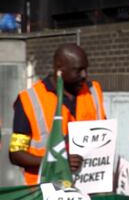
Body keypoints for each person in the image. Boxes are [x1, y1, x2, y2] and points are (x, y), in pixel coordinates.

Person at [8, 44, 105, 185]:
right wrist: (56, 162)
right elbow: (16, 154)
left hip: (89, 188)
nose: (85, 75)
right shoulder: (29, 100)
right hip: (45, 190)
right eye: (78, 70)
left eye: (86, 69)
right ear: (59, 69)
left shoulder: (93, 91)